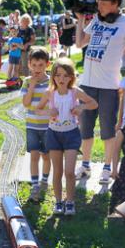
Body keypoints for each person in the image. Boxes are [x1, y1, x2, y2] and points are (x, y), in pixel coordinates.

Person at [74, 0, 125, 183]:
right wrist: (79, 21)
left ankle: (107, 167)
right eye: (98, 3)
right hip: (86, 83)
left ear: (116, 3)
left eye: (103, 4)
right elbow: (80, 43)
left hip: (110, 86)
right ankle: (85, 165)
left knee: (108, 129)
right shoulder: (96, 19)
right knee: (85, 127)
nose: (99, 7)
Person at [37, 56, 95, 216]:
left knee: (69, 172)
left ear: (71, 77)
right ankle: (58, 202)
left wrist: (81, 107)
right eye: (58, 75)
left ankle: (70, 201)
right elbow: (38, 109)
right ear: (53, 76)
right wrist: (48, 111)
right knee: (57, 172)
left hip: (71, 135)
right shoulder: (49, 93)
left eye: (65, 75)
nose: (61, 79)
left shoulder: (74, 92)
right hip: (54, 134)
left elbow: (93, 103)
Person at [21, 47, 53, 203]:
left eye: (41, 65)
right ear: (29, 65)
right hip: (32, 126)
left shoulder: (51, 82)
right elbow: (26, 104)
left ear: (47, 64)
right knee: (34, 156)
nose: (37, 69)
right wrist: (32, 86)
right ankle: (34, 184)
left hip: (48, 127)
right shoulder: (27, 82)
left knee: (46, 156)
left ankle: (45, 180)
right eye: (34, 65)